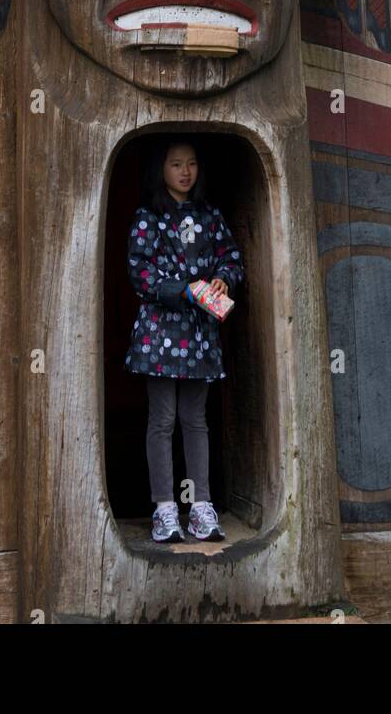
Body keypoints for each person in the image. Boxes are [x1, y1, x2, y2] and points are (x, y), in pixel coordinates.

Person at [124, 139, 246, 543]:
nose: (185, 172)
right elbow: (139, 271)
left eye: (191, 164)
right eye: (176, 164)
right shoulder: (148, 218)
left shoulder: (210, 215)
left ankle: (201, 508)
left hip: (198, 334)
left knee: (196, 420)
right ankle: (164, 509)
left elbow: (231, 256)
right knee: (162, 420)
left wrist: (223, 278)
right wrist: (182, 289)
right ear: (161, 169)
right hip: (160, 334)